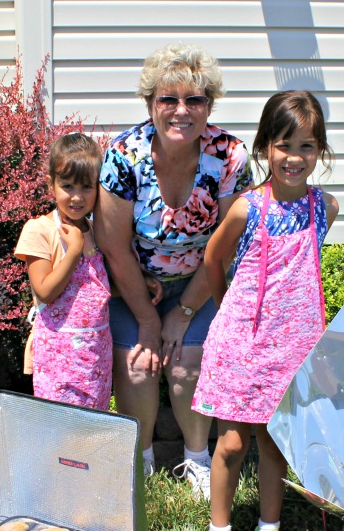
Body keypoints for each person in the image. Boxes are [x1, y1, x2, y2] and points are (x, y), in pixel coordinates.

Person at [192, 90, 339, 531]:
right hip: (244, 345)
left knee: (275, 442)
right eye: (284, 145)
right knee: (232, 443)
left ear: (320, 152)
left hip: (294, 348)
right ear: (264, 148)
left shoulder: (326, 209)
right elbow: (214, 259)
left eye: (307, 147)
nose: (295, 158)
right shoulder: (247, 209)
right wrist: (224, 307)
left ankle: (269, 528)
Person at [95, 44, 252, 496]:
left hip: (203, 279)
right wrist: (147, 317)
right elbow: (112, 244)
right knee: (139, 365)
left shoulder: (230, 156)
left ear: (209, 106)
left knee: (185, 364)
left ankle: (197, 458)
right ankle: (139, 458)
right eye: (168, 99)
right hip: (134, 282)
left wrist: (183, 312)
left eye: (195, 100)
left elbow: (228, 243)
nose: (181, 111)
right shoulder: (124, 156)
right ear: (150, 104)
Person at [15, 133, 112, 410]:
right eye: (67, 186)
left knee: (93, 424)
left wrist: (144, 284)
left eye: (86, 187)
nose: (77, 197)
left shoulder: (96, 230)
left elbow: (98, 289)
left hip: (96, 353)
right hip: (59, 356)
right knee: (60, 426)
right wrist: (73, 251)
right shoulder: (40, 230)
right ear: (51, 185)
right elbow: (45, 291)